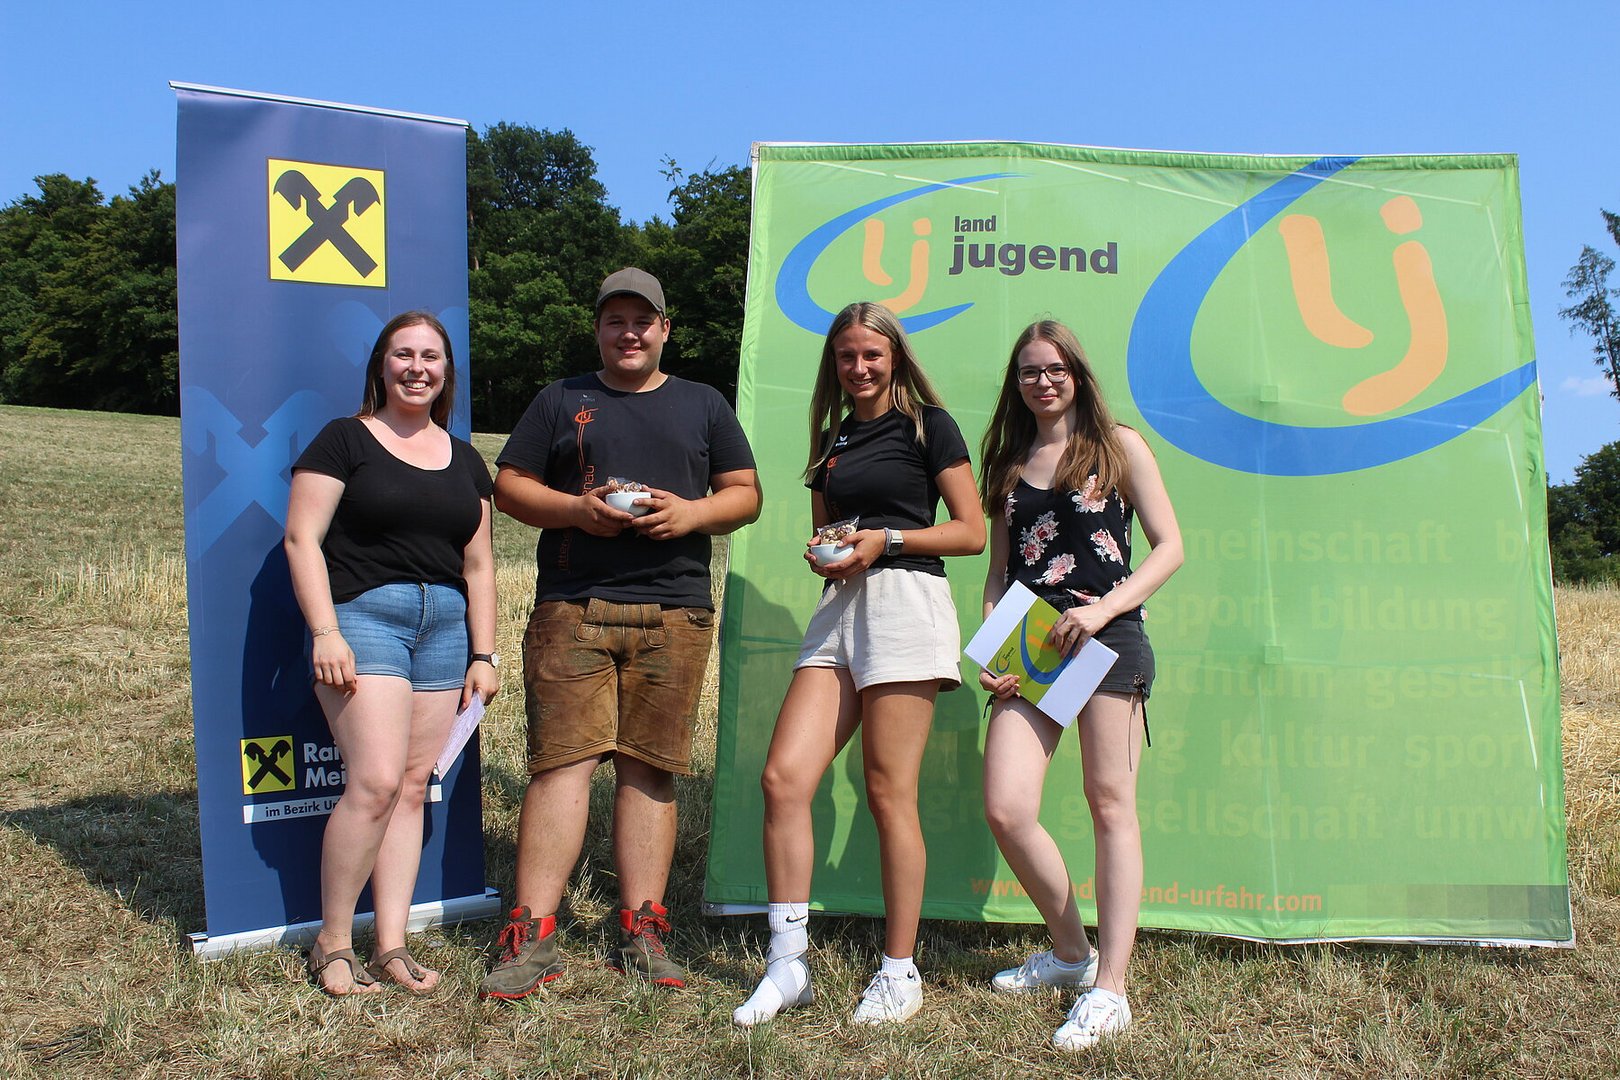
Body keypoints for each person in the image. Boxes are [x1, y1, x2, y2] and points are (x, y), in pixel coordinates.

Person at [480, 268, 760, 1000]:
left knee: (649, 769)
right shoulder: (560, 398)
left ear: (665, 328)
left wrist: (691, 515)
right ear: (599, 329)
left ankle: (643, 932)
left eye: (643, 320)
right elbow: (509, 486)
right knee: (560, 766)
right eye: (616, 320)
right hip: (572, 606)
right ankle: (532, 934)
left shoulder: (703, 403)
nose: (629, 333)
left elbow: (745, 494)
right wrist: (579, 511)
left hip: (675, 611)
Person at [733, 301, 985, 1027]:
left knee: (887, 792)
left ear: (895, 357)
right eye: (847, 355)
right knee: (784, 779)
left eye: (872, 354)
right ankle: (788, 965)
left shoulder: (929, 426)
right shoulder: (831, 438)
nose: (859, 367)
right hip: (839, 609)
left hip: (907, 602)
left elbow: (970, 531)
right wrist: (828, 551)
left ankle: (899, 972)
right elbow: (828, 535)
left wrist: (886, 540)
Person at [975, 320, 1183, 1049]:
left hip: (1108, 639)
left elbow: (1170, 547)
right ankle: (1071, 954)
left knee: (1110, 804)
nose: (1044, 381)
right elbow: (999, 574)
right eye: (1030, 371)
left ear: (1077, 374)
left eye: (1055, 368)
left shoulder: (1119, 447)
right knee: (1006, 808)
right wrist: (991, 648)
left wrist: (1102, 610)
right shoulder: (1008, 463)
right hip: (1033, 648)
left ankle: (1110, 990)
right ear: (1017, 383)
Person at [284, 311, 499, 996]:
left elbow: (480, 566)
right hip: (366, 619)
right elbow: (301, 540)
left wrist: (485, 654)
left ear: (446, 371)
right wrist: (326, 632)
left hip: (446, 630)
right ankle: (332, 943)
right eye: (403, 354)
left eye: (430, 356)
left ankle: (391, 945)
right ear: (382, 364)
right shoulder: (344, 439)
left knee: (411, 788)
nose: (417, 368)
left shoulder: (466, 459)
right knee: (375, 783)